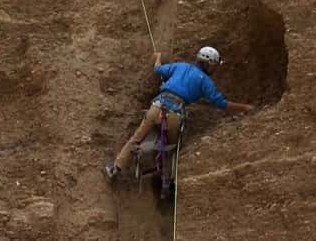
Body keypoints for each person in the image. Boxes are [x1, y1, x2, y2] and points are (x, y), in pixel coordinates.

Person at [103, 47, 254, 183]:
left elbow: (158, 70)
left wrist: (158, 57)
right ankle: (167, 178)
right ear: (208, 64)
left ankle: (115, 169)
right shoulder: (206, 82)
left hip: (157, 107)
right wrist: (244, 107)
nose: (215, 68)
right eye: (214, 65)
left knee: (137, 138)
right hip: (175, 114)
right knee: (172, 146)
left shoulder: (180, 66)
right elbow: (221, 103)